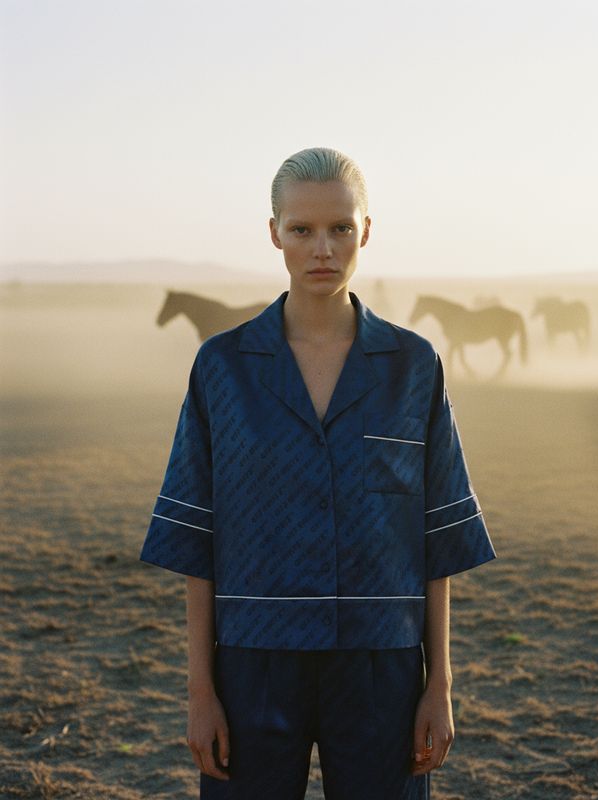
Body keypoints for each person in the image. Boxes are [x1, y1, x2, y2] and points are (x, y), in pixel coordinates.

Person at [139, 147, 497, 799]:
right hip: (253, 660)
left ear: (366, 230)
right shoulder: (222, 366)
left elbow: (435, 542)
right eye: (301, 230)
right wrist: (200, 693)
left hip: (382, 665)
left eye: (339, 228)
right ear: (273, 232)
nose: (321, 249)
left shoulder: (413, 366)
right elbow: (198, 542)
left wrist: (438, 687)